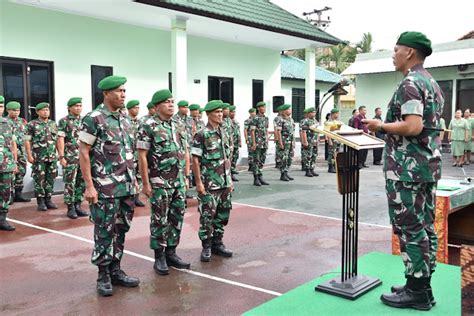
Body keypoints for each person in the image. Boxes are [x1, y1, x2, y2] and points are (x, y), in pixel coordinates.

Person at [364, 31, 444, 311]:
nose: (393, 55)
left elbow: (412, 126)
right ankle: (420, 283)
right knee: (423, 226)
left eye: (396, 50)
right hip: (426, 167)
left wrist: (380, 126)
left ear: (409, 52)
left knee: (410, 228)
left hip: (407, 170)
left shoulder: (411, 83)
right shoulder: (431, 82)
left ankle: (418, 291)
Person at [79, 75, 140, 297]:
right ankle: (103, 274)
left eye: (124, 90)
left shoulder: (125, 119)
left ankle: (116, 269)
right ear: (106, 93)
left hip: (127, 186)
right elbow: (84, 153)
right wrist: (89, 186)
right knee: (104, 231)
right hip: (104, 188)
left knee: (121, 229)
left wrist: (136, 182)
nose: (123, 94)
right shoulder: (93, 119)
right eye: (118, 91)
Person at [137, 89, 191, 275]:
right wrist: (146, 183)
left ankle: (171, 252)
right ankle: (159, 256)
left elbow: (184, 150)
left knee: (177, 217)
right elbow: (142, 156)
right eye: (167, 102)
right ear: (157, 106)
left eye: (172, 101)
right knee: (159, 219)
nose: (171, 104)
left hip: (178, 181)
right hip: (159, 182)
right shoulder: (148, 125)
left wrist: (186, 175)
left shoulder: (178, 125)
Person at [191, 100, 234, 262]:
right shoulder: (202, 134)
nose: (220, 114)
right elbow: (195, 160)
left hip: (224, 183)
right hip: (209, 184)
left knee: (222, 215)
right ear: (208, 114)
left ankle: (217, 243)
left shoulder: (224, 132)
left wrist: (229, 180)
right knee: (207, 216)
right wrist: (199, 183)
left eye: (221, 112)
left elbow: (226, 158)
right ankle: (206, 246)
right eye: (216, 112)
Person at [57, 97, 88, 219]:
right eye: (76, 106)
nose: (79, 108)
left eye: (80, 106)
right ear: (69, 108)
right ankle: (70, 208)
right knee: (70, 182)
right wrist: (61, 157)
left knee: (81, 182)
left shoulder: (85, 121)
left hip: (83, 157)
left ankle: (78, 205)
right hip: (70, 157)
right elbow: (60, 138)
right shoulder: (64, 121)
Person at [25, 102, 59, 211]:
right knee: (39, 179)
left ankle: (48, 199)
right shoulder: (31, 124)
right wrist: (29, 155)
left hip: (52, 157)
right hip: (38, 157)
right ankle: (40, 201)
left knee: (51, 178)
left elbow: (57, 140)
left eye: (47, 110)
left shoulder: (53, 124)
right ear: (38, 112)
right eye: (43, 110)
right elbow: (27, 141)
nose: (46, 112)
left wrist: (59, 154)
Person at [6, 101, 30, 203]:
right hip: (11, 152)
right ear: (8, 111)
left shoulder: (22, 122)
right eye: (14, 110)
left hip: (22, 151)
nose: (16, 112)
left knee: (21, 171)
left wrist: (29, 150)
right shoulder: (5, 122)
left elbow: (27, 136)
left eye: (18, 110)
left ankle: (18, 193)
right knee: (11, 173)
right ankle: (10, 195)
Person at [0, 98, 18, 231]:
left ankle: (2, 219)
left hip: (6, 164)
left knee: (6, 192)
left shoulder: (8, 123)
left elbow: (13, 144)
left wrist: (15, 162)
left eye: (1, 106)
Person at [126, 99, 145, 207]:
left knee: (139, 175)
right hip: (129, 155)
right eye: (134, 108)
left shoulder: (140, 122)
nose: (137, 110)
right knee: (129, 176)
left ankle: (137, 197)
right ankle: (129, 197)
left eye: (138, 108)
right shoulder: (125, 121)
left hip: (139, 154)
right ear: (129, 109)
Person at [249, 101, 270, 186]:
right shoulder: (255, 118)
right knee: (256, 160)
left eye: (264, 107)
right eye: (262, 107)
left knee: (262, 160)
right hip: (257, 142)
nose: (264, 109)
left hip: (264, 142)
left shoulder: (266, 118)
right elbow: (252, 131)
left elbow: (266, 130)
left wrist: (267, 140)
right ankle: (256, 178)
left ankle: (260, 175)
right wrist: (253, 143)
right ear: (258, 108)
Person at [275, 104, 295, 181]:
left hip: (290, 142)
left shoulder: (291, 119)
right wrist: (280, 143)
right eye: (288, 109)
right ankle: (282, 174)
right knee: (283, 158)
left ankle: (286, 172)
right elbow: (278, 132)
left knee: (289, 158)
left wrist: (293, 142)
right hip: (283, 141)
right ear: (284, 111)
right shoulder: (279, 119)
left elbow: (292, 131)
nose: (290, 110)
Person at [300, 107, 320, 177]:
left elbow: (318, 132)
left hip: (314, 141)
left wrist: (317, 140)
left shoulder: (316, 121)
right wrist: (305, 142)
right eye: (312, 112)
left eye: (314, 112)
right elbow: (303, 132)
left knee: (314, 155)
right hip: (309, 141)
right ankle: (307, 169)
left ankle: (312, 168)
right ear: (308, 113)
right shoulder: (305, 121)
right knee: (308, 156)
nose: (314, 114)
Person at [229, 105, 241, 182]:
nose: (233, 113)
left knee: (235, 157)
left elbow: (238, 132)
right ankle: (229, 174)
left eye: (234, 112)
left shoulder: (236, 121)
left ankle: (232, 171)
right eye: (231, 112)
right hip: (230, 143)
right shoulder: (227, 121)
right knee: (230, 158)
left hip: (236, 142)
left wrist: (240, 141)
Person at [327, 108, 341, 173]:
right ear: (333, 114)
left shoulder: (338, 121)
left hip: (337, 140)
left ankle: (335, 166)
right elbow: (327, 132)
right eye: (337, 113)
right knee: (331, 154)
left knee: (336, 154)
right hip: (332, 140)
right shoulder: (329, 122)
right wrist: (329, 140)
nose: (338, 115)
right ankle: (330, 167)